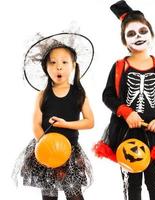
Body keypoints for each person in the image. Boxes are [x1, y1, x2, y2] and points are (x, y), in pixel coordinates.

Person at [93, 1, 155, 200]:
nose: (138, 37)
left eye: (143, 31)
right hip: (126, 132)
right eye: (131, 34)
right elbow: (107, 95)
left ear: (151, 35)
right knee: (131, 181)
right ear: (125, 42)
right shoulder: (120, 66)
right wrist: (126, 112)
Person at [13, 33, 94, 200]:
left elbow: (89, 122)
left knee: (74, 194)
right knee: (49, 195)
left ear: (73, 66)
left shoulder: (79, 94)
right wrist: (44, 143)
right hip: (46, 150)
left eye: (64, 62)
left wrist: (65, 125)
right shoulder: (43, 95)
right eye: (53, 62)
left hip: (69, 151)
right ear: (46, 67)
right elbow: (36, 123)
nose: (59, 67)